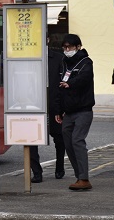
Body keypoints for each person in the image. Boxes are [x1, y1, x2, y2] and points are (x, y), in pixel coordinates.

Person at [55, 34, 94, 191]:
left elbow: (84, 79)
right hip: (68, 112)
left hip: (83, 110)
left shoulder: (85, 62)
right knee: (68, 142)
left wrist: (70, 84)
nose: (66, 50)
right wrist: (58, 110)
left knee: (77, 140)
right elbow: (59, 88)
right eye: (64, 47)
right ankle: (80, 176)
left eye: (69, 47)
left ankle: (84, 178)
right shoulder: (64, 63)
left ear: (78, 46)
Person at [30, 38, 66, 183]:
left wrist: (61, 108)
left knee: (59, 138)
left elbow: (63, 84)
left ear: (48, 40)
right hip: (32, 106)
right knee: (31, 140)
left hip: (54, 105)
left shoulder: (59, 58)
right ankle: (36, 172)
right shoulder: (28, 58)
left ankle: (60, 168)